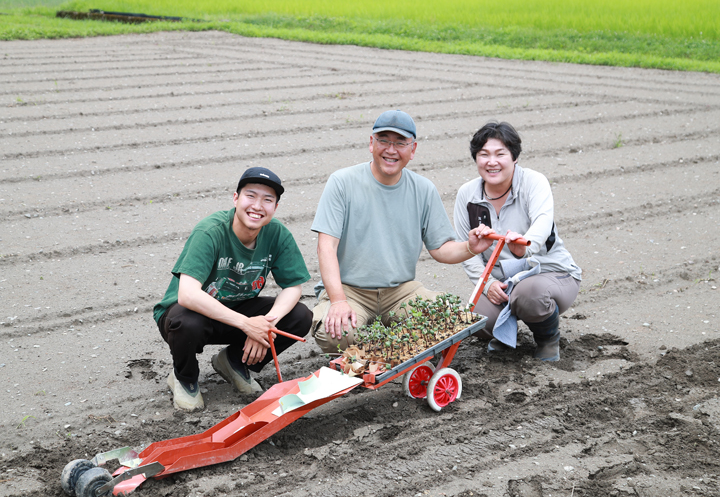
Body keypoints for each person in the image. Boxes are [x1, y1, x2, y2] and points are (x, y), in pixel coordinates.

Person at [310, 110, 493, 354]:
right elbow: (326, 246)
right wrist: (338, 301)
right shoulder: (342, 182)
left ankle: (383, 344)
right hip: (350, 290)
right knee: (337, 335)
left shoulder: (423, 189)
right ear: (371, 143)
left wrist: (470, 247)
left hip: (399, 292)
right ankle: (392, 344)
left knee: (448, 318)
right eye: (384, 140)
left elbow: (440, 248)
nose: (391, 150)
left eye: (400, 143)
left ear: (413, 149)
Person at [153, 167, 312, 411]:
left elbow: (293, 285)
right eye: (251, 196)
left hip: (236, 309)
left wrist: (266, 325)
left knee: (299, 316)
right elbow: (187, 294)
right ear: (236, 199)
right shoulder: (211, 231)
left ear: (275, 208)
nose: (258, 206)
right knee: (187, 323)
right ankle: (183, 378)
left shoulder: (277, 233)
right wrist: (248, 325)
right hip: (189, 314)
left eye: (267, 200)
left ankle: (235, 362)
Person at [453, 121, 582, 361]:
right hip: (503, 283)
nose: (492, 162)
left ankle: (547, 339)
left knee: (529, 295)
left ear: (514, 157)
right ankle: (505, 335)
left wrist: (524, 247)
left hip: (550, 272)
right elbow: (466, 249)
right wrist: (487, 283)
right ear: (476, 159)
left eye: (500, 154)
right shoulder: (467, 195)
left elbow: (542, 225)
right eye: (484, 154)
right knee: (474, 319)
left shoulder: (534, 182)